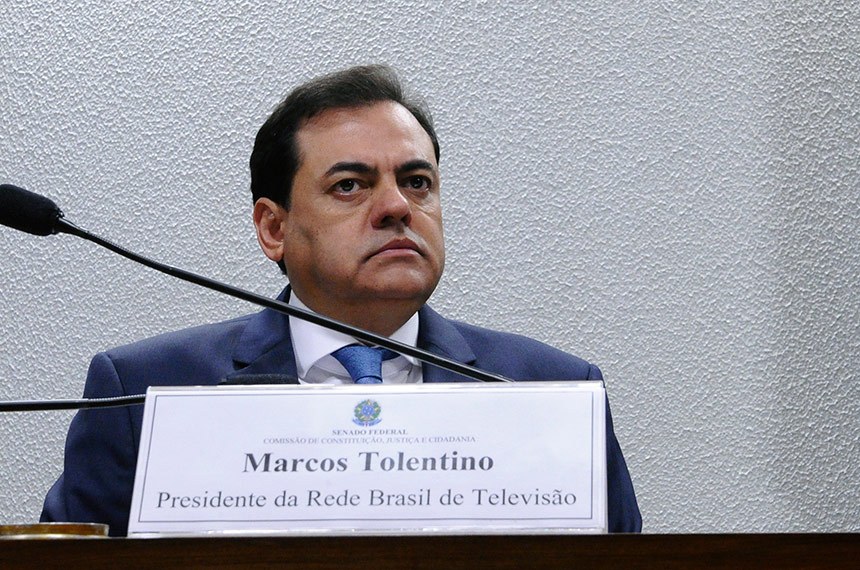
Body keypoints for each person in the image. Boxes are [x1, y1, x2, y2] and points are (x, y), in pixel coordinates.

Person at [40, 65, 642, 535]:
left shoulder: (550, 391)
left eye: (417, 182)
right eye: (350, 185)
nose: (397, 207)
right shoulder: (144, 393)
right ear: (274, 227)